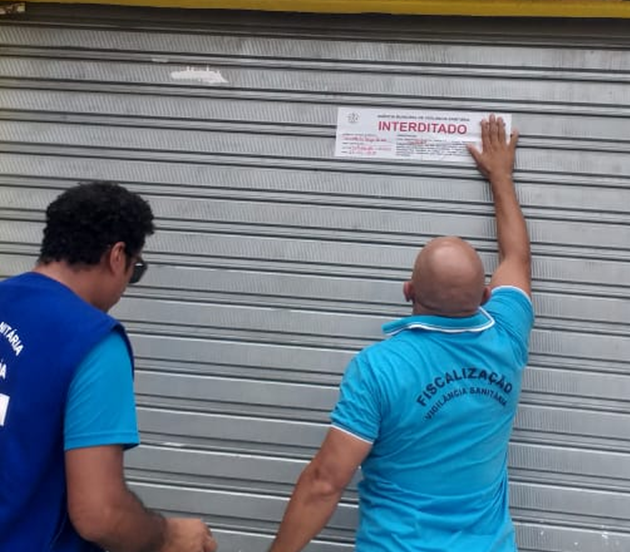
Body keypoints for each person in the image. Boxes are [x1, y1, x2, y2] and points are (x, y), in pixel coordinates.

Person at [268, 114, 533, 552]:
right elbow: (516, 258)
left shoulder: (378, 369)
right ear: (487, 295)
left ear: (408, 291)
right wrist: (501, 177)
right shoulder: (507, 334)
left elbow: (324, 483)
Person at [0, 181, 217, 552]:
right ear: (117, 256)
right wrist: (170, 536)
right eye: (136, 268)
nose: (128, 284)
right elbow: (99, 513)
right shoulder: (94, 341)